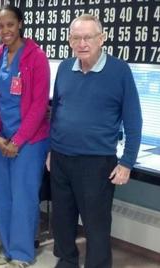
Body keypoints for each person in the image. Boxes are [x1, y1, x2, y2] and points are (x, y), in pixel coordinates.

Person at [48, 14, 142, 268]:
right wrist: (49, 150)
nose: (82, 43)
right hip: (60, 158)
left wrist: (127, 162)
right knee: (63, 219)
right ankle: (67, 260)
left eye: (88, 37)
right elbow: (56, 111)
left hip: (97, 163)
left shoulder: (119, 71)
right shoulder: (65, 68)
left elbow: (133, 120)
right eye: (76, 38)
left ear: (102, 39)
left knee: (96, 224)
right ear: (69, 41)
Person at [0, 5, 50, 268]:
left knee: (23, 196)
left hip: (30, 141)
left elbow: (38, 107)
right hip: (1, 140)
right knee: (2, 195)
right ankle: (9, 246)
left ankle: (22, 253)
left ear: (20, 24)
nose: (5, 30)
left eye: (10, 24)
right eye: (0, 26)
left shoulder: (36, 58)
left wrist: (18, 141)